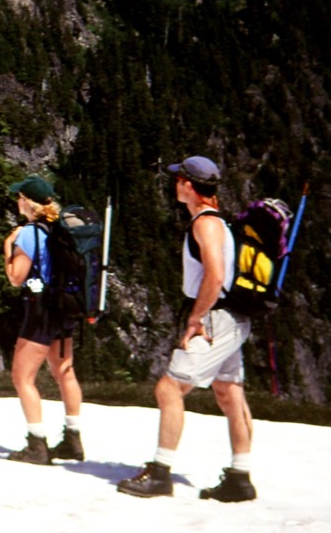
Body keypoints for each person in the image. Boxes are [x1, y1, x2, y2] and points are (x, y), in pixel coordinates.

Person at [116, 155, 257, 502]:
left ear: (189, 185)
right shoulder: (217, 221)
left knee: (169, 388)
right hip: (233, 318)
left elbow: (215, 274)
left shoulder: (204, 224)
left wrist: (196, 318)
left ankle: (160, 474)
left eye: (178, 179)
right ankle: (240, 478)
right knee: (228, 391)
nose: (174, 184)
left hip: (215, 318)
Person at [2, 174, 84, 464]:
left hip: (41, 311)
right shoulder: (61, 229)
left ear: (27, 202)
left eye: (19, 197)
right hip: (65, 307)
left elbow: (16, 277)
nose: (16, 202)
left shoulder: (28, 234)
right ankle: (73, 440)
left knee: (22, 377)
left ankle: (37, 444)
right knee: (65, 371)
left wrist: (7, 247)